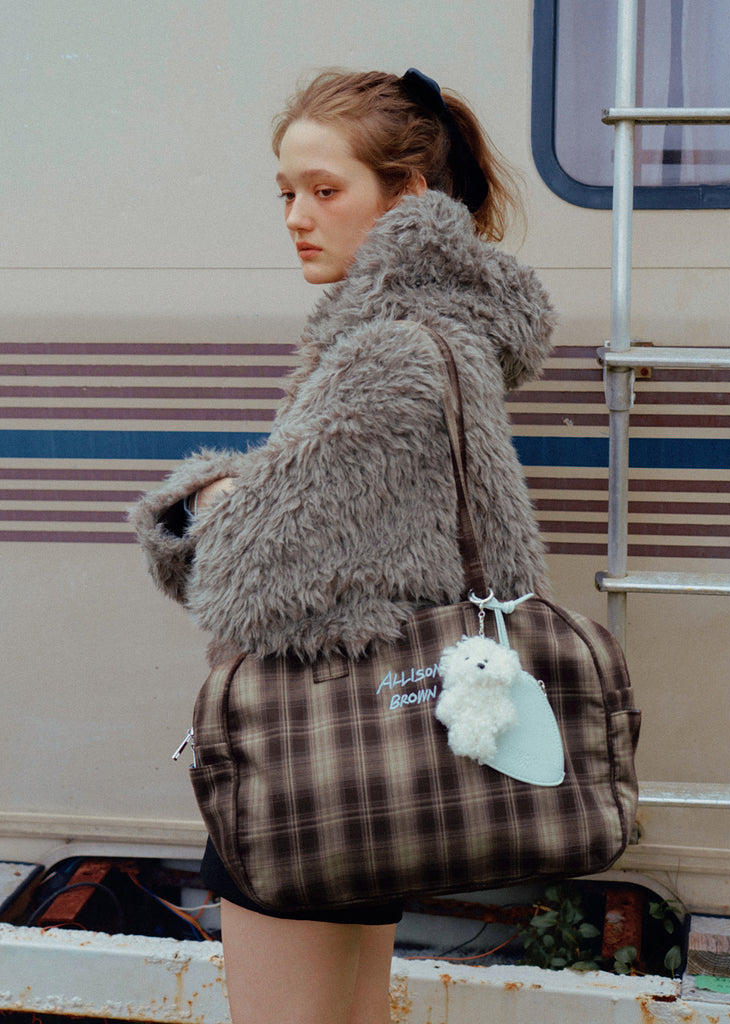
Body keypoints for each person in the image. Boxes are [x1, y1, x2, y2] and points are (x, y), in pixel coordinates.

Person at [131, 68, 556, 1024]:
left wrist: (207, 499)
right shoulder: (449, 335)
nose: (297, 217)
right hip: (379, 741)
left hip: (307, 755)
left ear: (408, 195)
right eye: (286, 192)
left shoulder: (388, 351)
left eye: (326, 190)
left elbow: (250, 578)